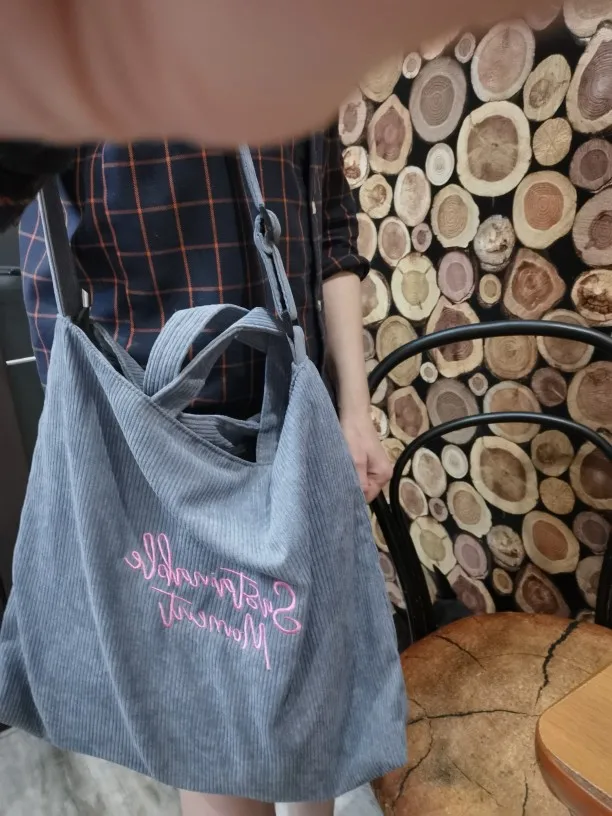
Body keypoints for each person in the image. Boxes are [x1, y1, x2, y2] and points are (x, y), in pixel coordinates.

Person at [0, 128, 392, 815]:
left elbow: (331, 226)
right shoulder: (67, 62)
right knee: (210, 729)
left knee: (314, 718)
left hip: (297, 431)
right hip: (151, 455)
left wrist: (355, 409)